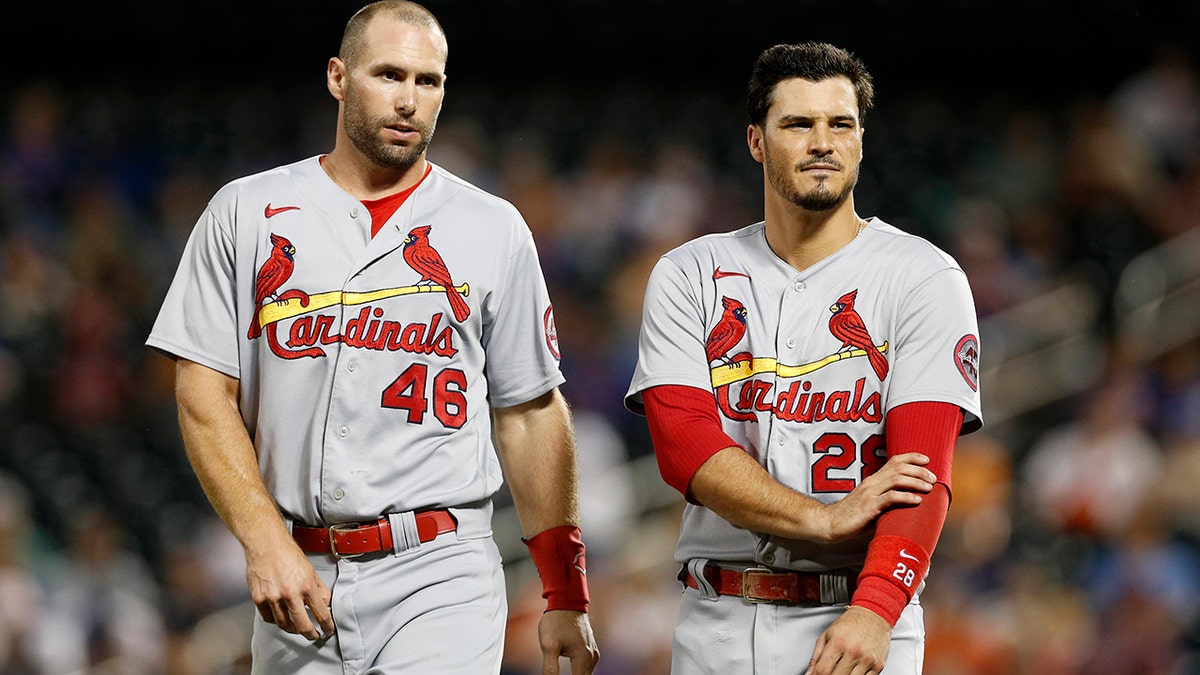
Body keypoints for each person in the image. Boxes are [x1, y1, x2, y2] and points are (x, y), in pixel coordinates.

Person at [145, 2, 599, 673]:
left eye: (429, 81)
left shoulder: (492, 226)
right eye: (389, 74)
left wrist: (566, 589)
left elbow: (530, 412)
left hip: (441, 566)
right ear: (338, 76)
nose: (410, 100)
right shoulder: (246, 211)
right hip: (301, 571)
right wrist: (264, 539)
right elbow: (202, 390)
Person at [624, 42, 983, 675]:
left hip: (857, 615)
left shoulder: (923, 277)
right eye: (797, 123)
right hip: (719, 620)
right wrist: (820, 519)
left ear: (861, 140)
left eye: (840, 124)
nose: (823, 141)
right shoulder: (690, 273)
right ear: (756, 141)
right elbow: (684, 447)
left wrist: (876, 610)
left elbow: (921, 475)